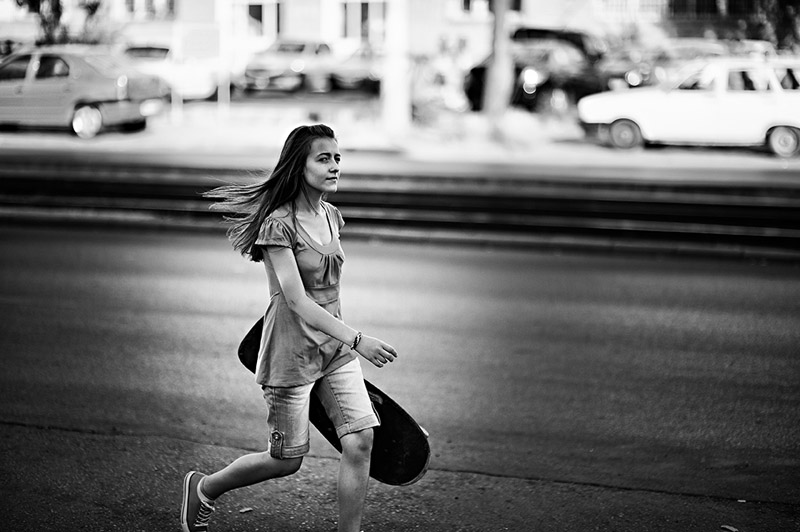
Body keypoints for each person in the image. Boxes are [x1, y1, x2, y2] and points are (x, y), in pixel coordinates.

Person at [181, 124, 398, 532]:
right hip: (291, 354)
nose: (335, 166)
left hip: (333, 351)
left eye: (337, 158)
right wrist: (358, 338)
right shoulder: (278, 226)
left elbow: (328, 293)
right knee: (286, 460)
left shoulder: (332, 216)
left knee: (360, 439)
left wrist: (346, 342)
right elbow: (297, 301)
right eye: (324, 158)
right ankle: (204, 488)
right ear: (299, 166)